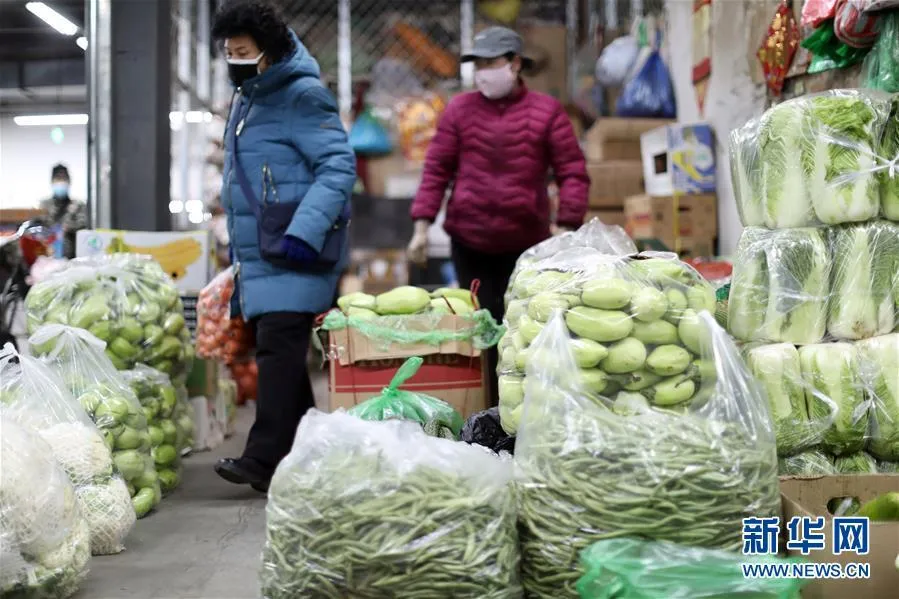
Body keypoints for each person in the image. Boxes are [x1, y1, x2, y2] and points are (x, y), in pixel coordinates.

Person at [211, 0, 356, 492]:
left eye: (243, 51)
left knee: (278, 350)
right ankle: (308, 455)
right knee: (286, 363)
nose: (235, 60)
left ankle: (262, 455)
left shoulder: (302, 95)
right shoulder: (248, 97)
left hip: (295, 248)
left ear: (268, 52)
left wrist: (304, 231)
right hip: (262, 252)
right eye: (229, 52)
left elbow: (338, 167)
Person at [407, 26, 589, 406]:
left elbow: (572, 170)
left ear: (515, 63)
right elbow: (437, 168)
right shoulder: (459, 109)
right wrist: (421, 226)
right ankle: (486, 410)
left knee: (523, 330)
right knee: (480, 329)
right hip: (470, 241)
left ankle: (525, 410)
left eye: (492, 63)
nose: (484, 72)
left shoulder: (546, 111)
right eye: (479, 64)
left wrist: (568, 224)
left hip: (527, 245)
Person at [39, 164, 87, 259]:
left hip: (73, 257)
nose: (61, 182)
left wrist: (68, 229)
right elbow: (38, 227)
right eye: (58, 179)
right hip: (47, 257)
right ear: (52, 182)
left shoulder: (78, 206)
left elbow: (84, 227)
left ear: (69, 182)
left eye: (64, 179)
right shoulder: (44, 205)